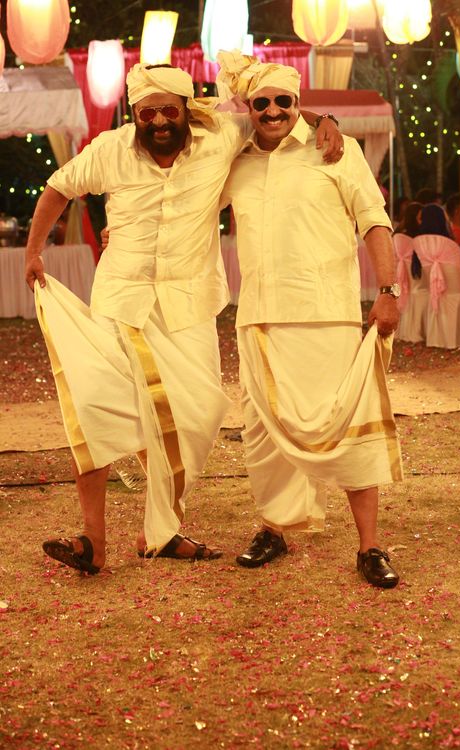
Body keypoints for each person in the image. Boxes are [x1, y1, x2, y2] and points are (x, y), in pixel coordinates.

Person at [24, 63, 343, 575]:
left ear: (186, 109)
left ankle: (162, 531)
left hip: (189, 305)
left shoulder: (221, 136)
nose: (158, 121)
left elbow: (271, 112)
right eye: (147, 112)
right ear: (134, 113)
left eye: (168, 110)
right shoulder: (110, 149)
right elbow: (58, 188)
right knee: (96, 406)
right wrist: (34, 251)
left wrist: (324, 118)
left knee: (200, 415)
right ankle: (91, 540)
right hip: (121, 299)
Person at [217, 52, 403, 588]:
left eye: (284, 101)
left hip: (326, 313)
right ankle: (273, 528)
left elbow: (374, 220)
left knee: (347, 427)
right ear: (249, 108)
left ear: (298, 102)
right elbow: (188, 200)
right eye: (261, 103)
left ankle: (369, 546)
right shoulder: (235, 161)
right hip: (258, 316)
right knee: (263, 434)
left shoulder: (336, 151)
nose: (273, 111)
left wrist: (387, 291)